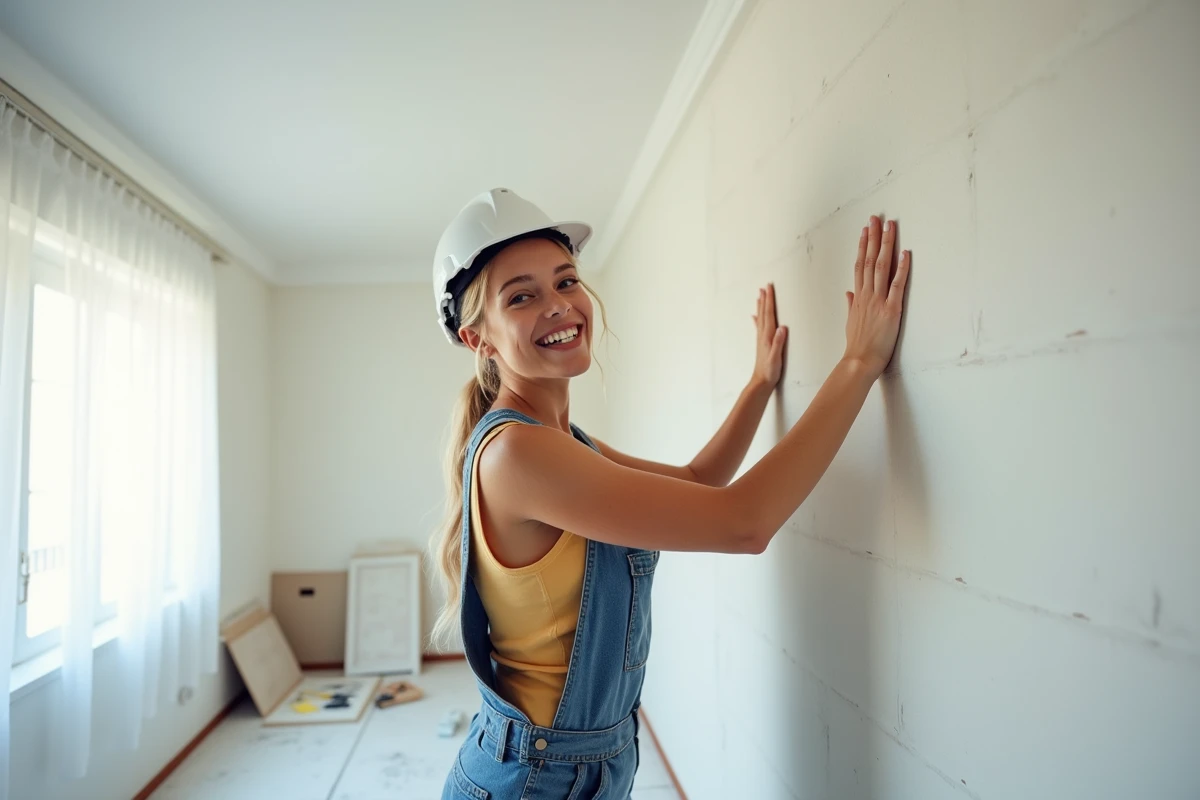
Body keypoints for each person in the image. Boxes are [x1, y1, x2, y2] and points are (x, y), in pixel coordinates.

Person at [431, 188, 910, 799]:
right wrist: (858, 362)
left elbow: (694, 484)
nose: (559, 306)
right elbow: (745, 523)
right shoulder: (519, 455)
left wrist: (762, 384)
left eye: (566, 281)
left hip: (577, 768)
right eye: (521, 296)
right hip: (537, 781)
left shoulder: (559, 444)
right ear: (480, 340)